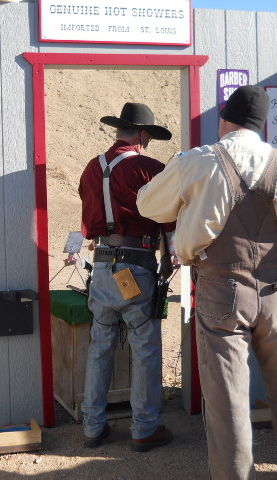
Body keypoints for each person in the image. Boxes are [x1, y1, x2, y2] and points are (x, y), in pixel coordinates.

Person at [136, 86, 277, 479]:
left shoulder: (198, 161)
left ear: (224, 119)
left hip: (220, 292)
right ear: (261, 125)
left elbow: (147, 204)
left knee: (228, 404)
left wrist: (188, 204)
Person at [79, 102, 176, 452]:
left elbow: (87, 213)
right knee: (145, 348)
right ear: (142, 135)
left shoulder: (92, 168)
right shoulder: (150, 168)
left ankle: (92, 427)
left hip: (102, 264)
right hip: (136, 263)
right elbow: (170, 220)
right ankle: (144, 428)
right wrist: (171, 257)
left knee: (100, 346)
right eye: (148, 137)